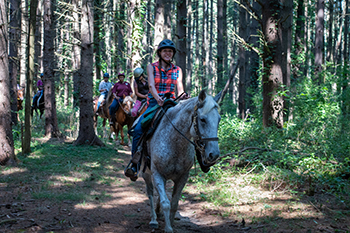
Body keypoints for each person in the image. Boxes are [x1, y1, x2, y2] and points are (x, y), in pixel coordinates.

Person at [125, 39, 189, 181]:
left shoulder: (177, 70)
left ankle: (196, 160)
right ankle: (134, 165)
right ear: (159, 53)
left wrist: (184, 96)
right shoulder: (151, 67)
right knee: (139, 129)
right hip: (154, 102)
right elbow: (151, 86)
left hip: (171, 102)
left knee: (188, 125)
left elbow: (180, 88)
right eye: (165, 51)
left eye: (170, 51)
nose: (168, 53)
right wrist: (157, 98)